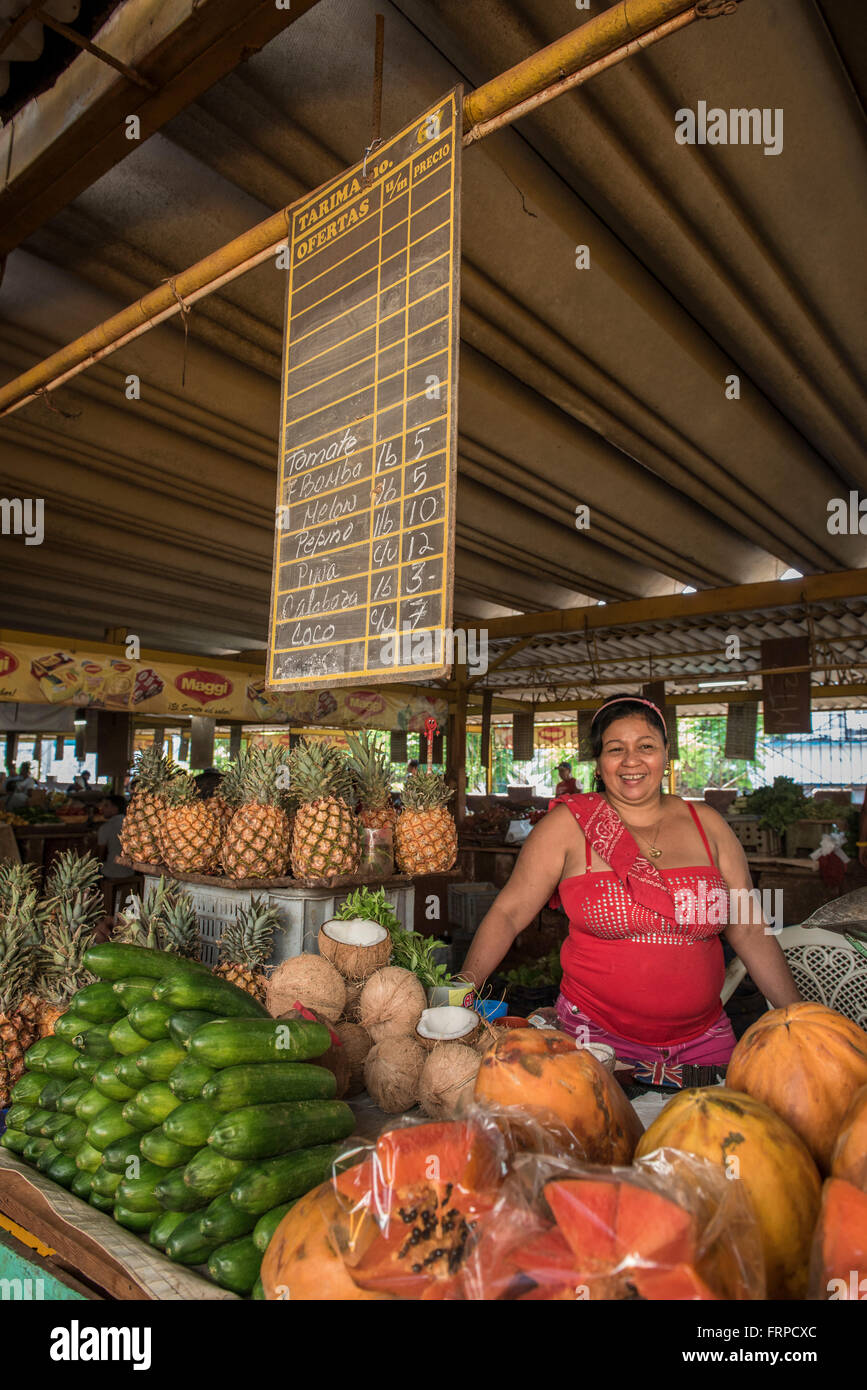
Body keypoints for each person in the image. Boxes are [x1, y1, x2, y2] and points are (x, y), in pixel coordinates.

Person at [461, 693, 801, 1073]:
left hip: (704, 1044)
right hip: (591, 1043)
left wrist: (801, 1019)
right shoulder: (568, 828)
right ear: (599, 760)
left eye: (646, 746)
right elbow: (508, 914)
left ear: (666, 753)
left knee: (709, 1130)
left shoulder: (709, 826)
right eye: (615, 749)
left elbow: (751, 930)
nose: (631, 761)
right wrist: (459, 992)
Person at [96, 794, 128, 879]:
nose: (102, 809)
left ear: (115, 808)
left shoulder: (106, 827)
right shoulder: (132, 824)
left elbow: (100, 856)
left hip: (112, 872)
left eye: (106, 805)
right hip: (131, 871)